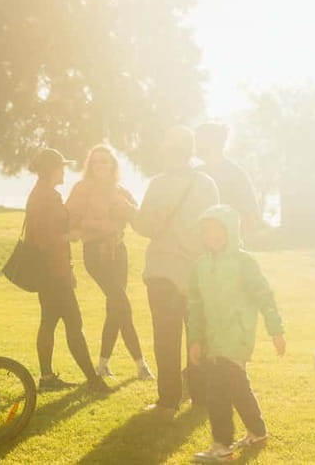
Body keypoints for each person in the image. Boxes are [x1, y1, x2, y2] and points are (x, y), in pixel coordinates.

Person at [188, 205, 286, 462]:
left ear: (231, 231)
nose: (212, 236)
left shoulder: (245, 262)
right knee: (238, 386)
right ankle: (257, 430)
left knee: (217, 390)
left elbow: (265, 296)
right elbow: (195, 306)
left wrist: (275, 329)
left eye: (218, 230)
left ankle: (222, 445)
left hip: (237, 336)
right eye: (207, 231)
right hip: (212, 338)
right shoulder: (200, 265)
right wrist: (196, 339)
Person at [133, 125, 219, 416]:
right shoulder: (207, 184)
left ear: (167, 151)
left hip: (163, 271)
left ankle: (168, 401)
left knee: (166, 338)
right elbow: (215, 230)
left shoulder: (158, 184)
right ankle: (201, 396)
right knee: (198, 336)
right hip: (196, 272)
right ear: (191, 151)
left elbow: (145, 226)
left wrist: (127, 212)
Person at [24, 148, 110, 393]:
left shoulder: (43, 193)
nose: (64, 171)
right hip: (53, 273)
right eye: (61, 166)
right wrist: (68, 236)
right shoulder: (46, 197)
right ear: (52, 169)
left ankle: (48, 377)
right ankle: (93, 381)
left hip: (50, 271)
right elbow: (46, 240)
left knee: (49, 322)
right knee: (74, 323)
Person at [66, 145, 155, 380]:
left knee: (115, 307)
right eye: (95, 162)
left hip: (119, 253)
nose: (100, 166)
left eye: (105, 161)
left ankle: (103, 365)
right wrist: (92, 226)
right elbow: (69, 220)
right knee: (122, 304)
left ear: (113, 165)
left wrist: (130, 210)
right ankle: (141, 365)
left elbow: (139, 218)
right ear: (90, 166)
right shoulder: (82, 188)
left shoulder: (121, 190)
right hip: (96, 253)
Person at [194, 122, 263, 241]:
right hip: (195, 249)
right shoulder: (195, 174)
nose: (195, 146)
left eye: (199, 140)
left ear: (213, 143)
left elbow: (252, 216)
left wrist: (228, 241)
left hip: (224, 250)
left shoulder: (236, 175)